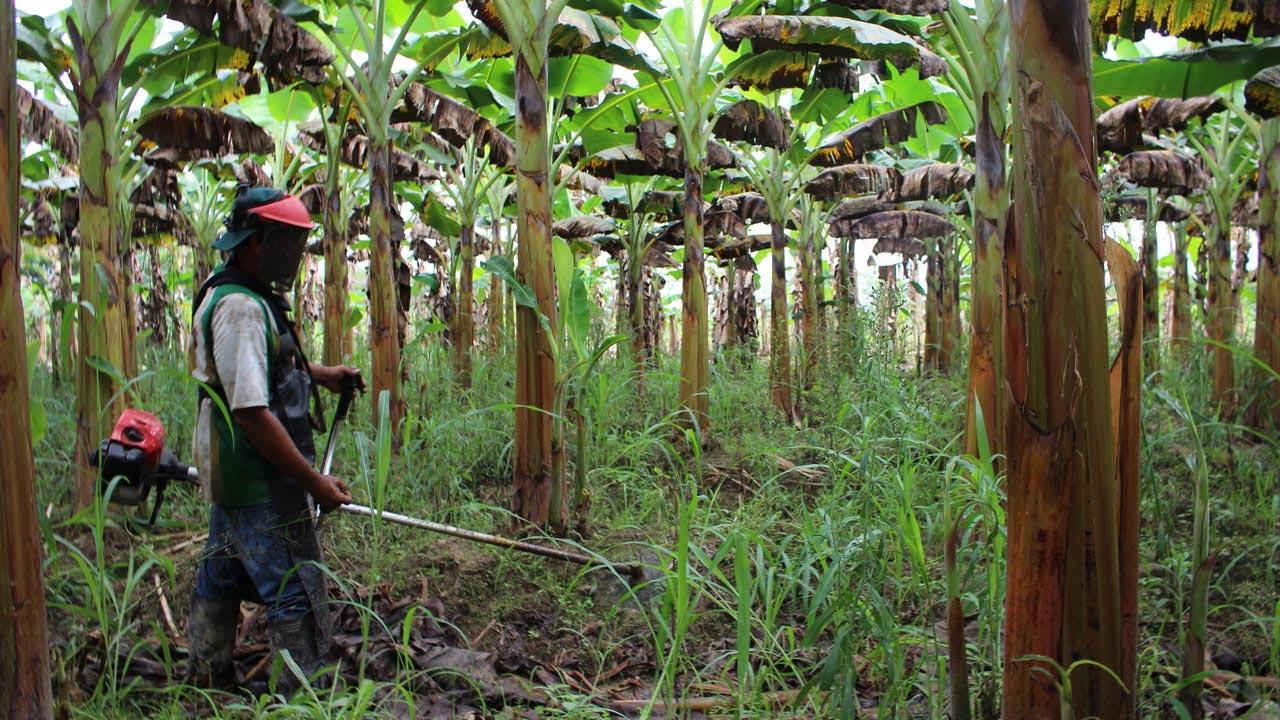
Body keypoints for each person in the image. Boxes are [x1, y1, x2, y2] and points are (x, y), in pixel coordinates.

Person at [186, 186, 361, 691]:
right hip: (256, 474)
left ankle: (206, 670)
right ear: (258, 242)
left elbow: (262, 370)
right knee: (294, 589)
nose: (295, 258)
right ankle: (303, 693)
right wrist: (314, 482)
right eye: (288, 244)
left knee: (221, 571)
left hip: (235, 474)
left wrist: (322, 374)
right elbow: (251, 412)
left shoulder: (247, 293)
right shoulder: (239, 308)